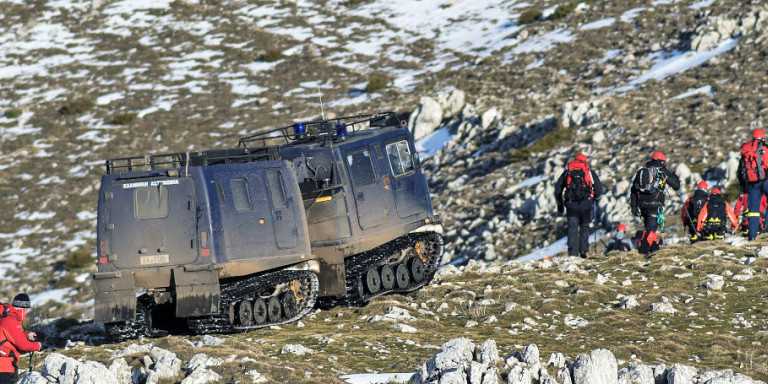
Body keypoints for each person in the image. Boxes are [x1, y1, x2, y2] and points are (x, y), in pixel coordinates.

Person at [630, 150, 681, 255]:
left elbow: (633, 190)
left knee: (649, 228)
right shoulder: (662, 171)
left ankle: (653, 250)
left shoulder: (642, 171)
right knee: (651, 230)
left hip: (642, 205)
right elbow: (676, 186)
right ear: (661, 161)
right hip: (655, 205)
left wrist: (634, 206)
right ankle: (643, 251)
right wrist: (674, 177)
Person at [554, 152, 604, 258]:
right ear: (585, 161)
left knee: (572, 229)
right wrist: (595, 198)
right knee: (584, 227)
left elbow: (557, 189)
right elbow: (599, 189)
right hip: (586, 204)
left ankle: (572, 253)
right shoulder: (588, 171)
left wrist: (560, 206)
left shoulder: (567, 172)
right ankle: (583, 251)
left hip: (571, 205)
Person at [0, 294, 41, 383]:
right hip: (4, 367)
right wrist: (38, 345)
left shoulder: (8, 317)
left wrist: (27, 334)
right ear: (22, 309)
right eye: (26, 309)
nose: (26, 312)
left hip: (6, 364)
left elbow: (13, 335)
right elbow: (23, 345)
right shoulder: (11, 321)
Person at [737, 128, 768, 240]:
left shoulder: (746, 149)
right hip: (765, 180)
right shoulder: (764, 148)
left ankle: (752, 236)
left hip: (751, 184)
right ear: (762, 136)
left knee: (753, 211)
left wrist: (744, 186)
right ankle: (767, 230)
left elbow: (740, 171)